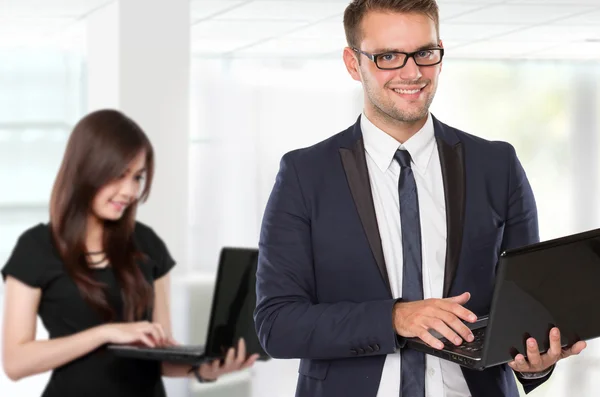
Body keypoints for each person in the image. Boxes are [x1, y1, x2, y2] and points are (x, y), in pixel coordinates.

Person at [253, 1, 586, 396]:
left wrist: (533, 362)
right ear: (351, 62)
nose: (412, 73)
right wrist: (394, 317)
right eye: (388, 56)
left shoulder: (497, 165)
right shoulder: (304, 175)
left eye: (424, 53)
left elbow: (527, 307)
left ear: (440, 53)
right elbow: (277, 325)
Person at [1, 109, 258, 397]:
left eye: (137, 177)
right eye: (119, 175)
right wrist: (107, 333)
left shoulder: (147, 244)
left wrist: (205, 369)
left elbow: (160, 356)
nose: (130, 191)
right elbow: (15, 361)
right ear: (87, 169)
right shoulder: (36, 248)